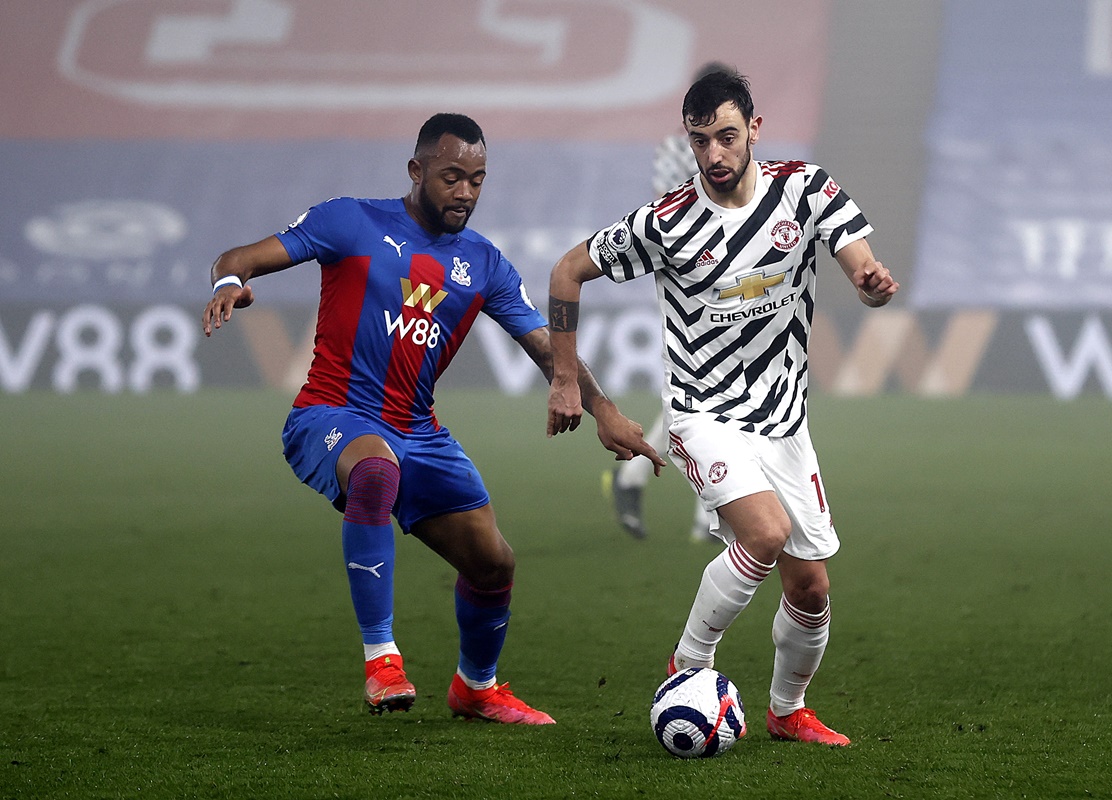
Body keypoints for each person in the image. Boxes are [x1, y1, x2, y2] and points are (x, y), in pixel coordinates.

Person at [202, 113, 661, 724]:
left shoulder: (484, 263)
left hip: (417, 431)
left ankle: (476, 687)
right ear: (416, 171)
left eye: (477, 180)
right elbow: (240, 256)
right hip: (330, 415)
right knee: (373, 471)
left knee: (494, 563)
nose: (465, 193)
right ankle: (381, 658)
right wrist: (231, 281)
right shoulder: (349, 220)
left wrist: (602, 409)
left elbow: (549, 348)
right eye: (451, 177)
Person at [545, 72, 898, 746]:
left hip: (785, 425)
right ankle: (688, 666)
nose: (715, 154)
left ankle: (786, 710)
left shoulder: (805, 189)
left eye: (727, 137)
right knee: (762, 534)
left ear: (755, 131)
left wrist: (869, 280)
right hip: (704, 415)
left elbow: (859, 261)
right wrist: (567, 380)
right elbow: (567, 270)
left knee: (812, 590)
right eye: (701, 140)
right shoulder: (665, 223)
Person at [604, 62, 733, 544]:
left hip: (729, 283)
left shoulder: (735, 147)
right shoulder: (676, 149)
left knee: (708, 393)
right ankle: (709, 511)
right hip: (685, 282)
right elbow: (665, 209)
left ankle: (640, 479)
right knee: (699, 391)